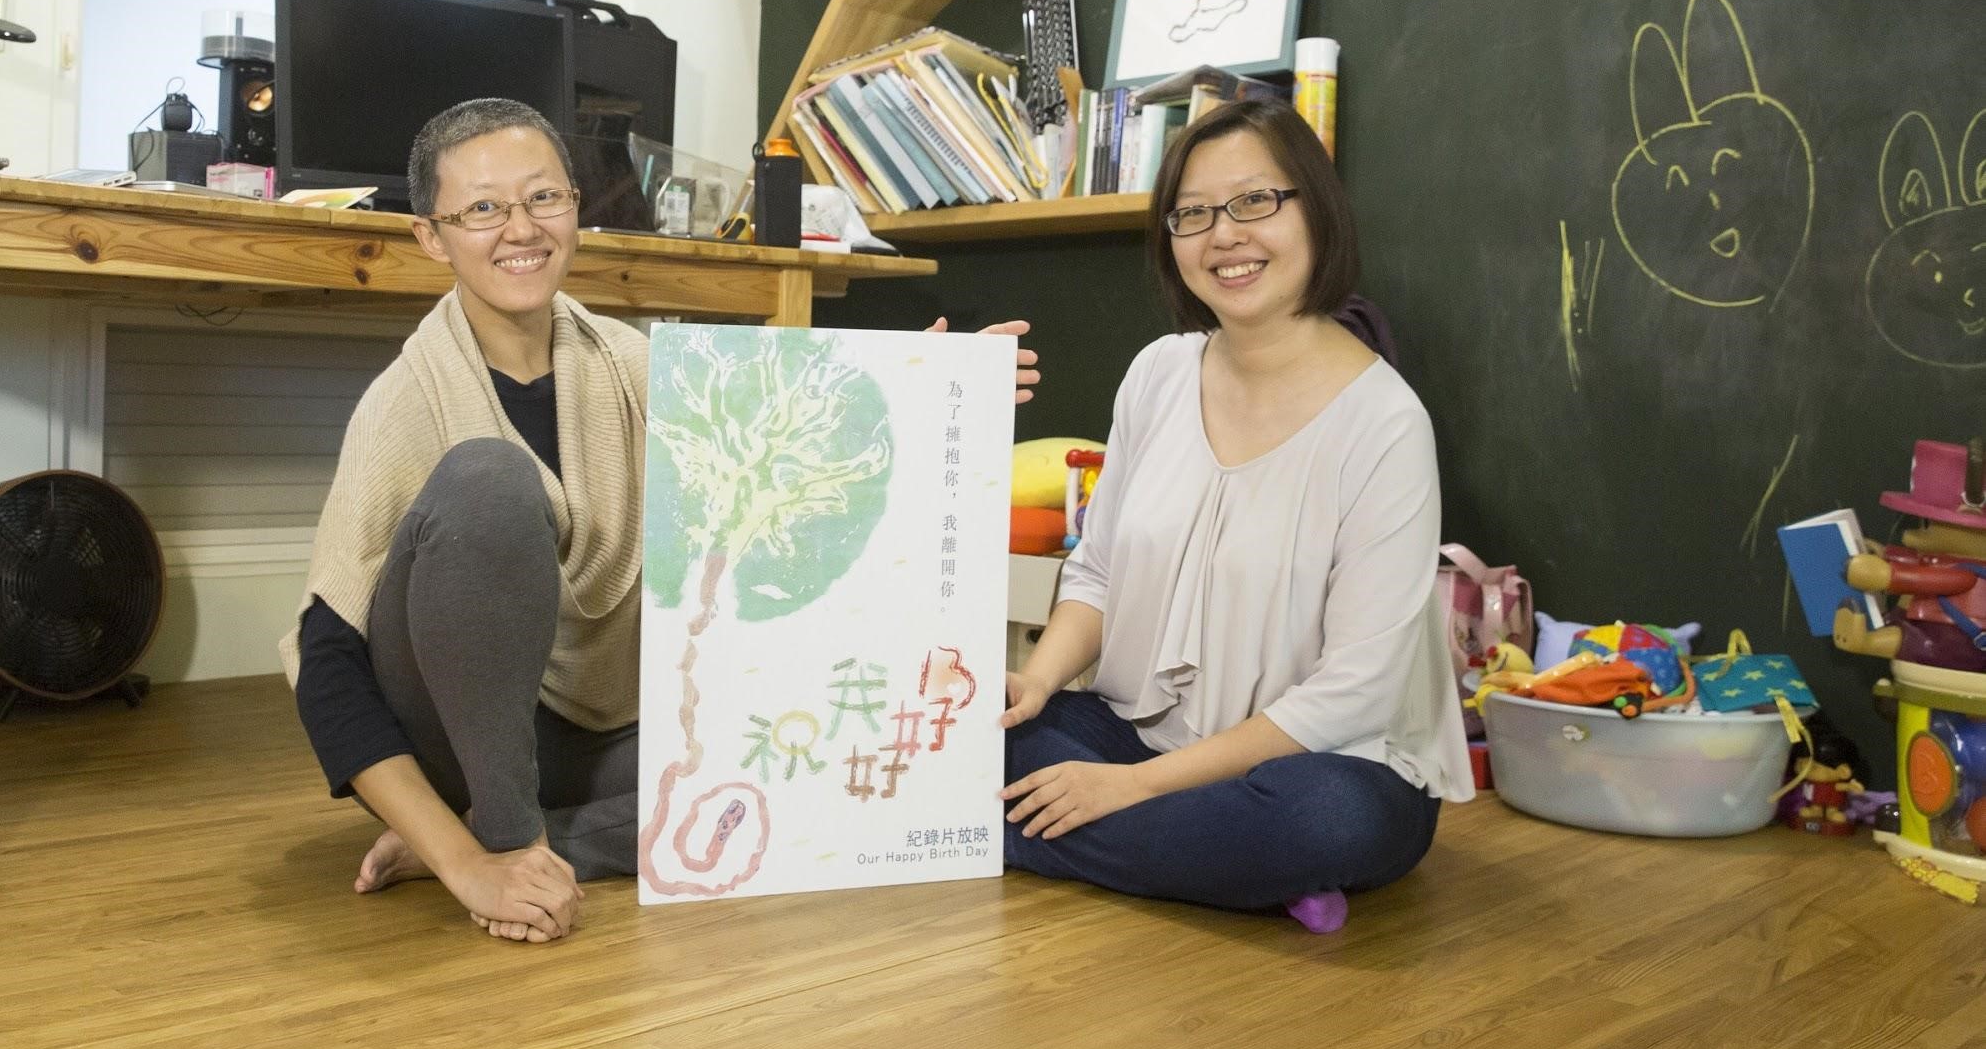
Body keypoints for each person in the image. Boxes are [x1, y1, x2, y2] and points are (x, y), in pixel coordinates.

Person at [285, 98, 1039, 944]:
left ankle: (510, 841)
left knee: (809, 766)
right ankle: (501, 835)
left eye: (545, 198)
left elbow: (795, 446)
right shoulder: (406, 401)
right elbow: (327, 663)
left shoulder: (642, 366)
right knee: (488, 482)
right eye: (484, 208)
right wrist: (471, 865)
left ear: (577, 206)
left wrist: (928, 384)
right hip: (461, 731)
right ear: (433, 235)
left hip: (602, 733)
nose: (521, 228)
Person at [999, 96, 1471, 933]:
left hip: (1320, 766)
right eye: (1193, 213)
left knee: (1323, 823)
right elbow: (1097, 571)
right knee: (976, 732)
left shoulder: (1386, 422)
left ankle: (1036, 834)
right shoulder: (1158, 373)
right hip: (1139, 731)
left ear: (1315, 211)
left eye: (1255, 201)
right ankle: (1216, 867)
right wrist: (1036, 684)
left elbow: (1352, 695)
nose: (1225, 234)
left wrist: (1128, 788)